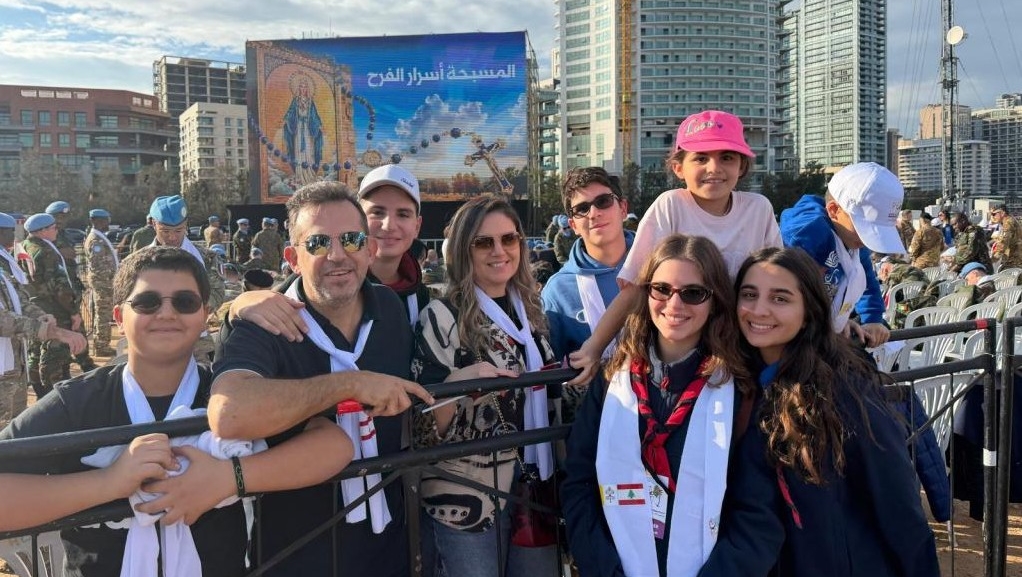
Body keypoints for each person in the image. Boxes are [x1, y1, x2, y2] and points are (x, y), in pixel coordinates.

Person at [0, 246, 353, 576]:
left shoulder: (226, 397)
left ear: (204, 317)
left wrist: (230, 477)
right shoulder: (78, 402)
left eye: (184, 302)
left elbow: (333, 444)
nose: (166, 312)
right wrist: (108, 482)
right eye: (148, 302)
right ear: (120, 317)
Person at [209, 181, 434, 576]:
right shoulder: (265, 321)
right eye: (317, 244)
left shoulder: (390, 309)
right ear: (292, 257)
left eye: (350, 239)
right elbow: (229, 414)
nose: (336, 255)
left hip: (390, 545)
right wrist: (349, 385)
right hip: (296, 554)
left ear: (369, 248)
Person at [696, 247, 939, 577]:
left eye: (780, 299)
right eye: (749, 294)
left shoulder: (846, 390)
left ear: (809, 311)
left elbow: (897, 503)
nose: (759, 310)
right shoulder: (735, 384)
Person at [561, 234, 753, 577]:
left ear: (716, 300)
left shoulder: (739, 389)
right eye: (661, 289)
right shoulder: (611, 383)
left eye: (693, 293)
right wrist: (605, 570)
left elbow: (756, 509)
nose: (674, 305)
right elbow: (579, 483)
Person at [568, 110, 781, 385]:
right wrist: (594, 347)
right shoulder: (670, 205)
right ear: (679, 168)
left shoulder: (758, 208)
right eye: (701, 158)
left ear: (741, 167)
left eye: (726, 157)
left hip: (741, 351)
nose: (714, 168)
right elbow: (636, 284)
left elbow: (777, 280)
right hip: (680, 352)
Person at [413, 194, 557, 577]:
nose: (499, 251)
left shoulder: (533, 312)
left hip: (534, 489)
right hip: (465, 498)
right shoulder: (441, 316)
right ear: (463, 250)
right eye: (483, 242)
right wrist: (457, 383)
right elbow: (420, 429)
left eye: (509, 239)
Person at [780, 162, 904, 348]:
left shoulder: (851, 238)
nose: (865, 240)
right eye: (864, 230)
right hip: (795, 337)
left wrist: (873, 318)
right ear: (834, 211)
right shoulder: (807, 235)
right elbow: (786, 290)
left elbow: (866, 278)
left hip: (823, 331)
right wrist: (828, 323)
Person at [0, 212, 85, 427]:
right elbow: (3, 320)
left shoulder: (4, 263)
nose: (14, 235)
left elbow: (19, 297)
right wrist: (54, 331)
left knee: (14, 426)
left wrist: (40, 315)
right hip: (4, 361)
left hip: (12, 361)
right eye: (8, 231)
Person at [22, 213, 83, 395]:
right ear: (43, 231)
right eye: (54, 228)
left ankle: (40, 391)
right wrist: (73, 311)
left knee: (35, 353)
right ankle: (54, 394)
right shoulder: (46, 252)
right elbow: (60, 287)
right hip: (55, 310)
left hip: (35, 310)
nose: (57, 230)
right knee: (56, 355)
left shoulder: (25, 246)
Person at [147, 195, 226, 315]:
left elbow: (217, 293)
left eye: (179, 230)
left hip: (192, 329)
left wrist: (188, 308)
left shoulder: (207, 258)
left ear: (186, 224)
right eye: (165, 231)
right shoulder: (139, 261)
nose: (172, 237)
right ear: (154, 224)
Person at [47, 200, 98, 372]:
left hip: (70, 287)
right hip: (56, 291)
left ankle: (86, 364)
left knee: (78, 328)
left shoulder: (65, 234)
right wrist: (61, 253)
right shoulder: (47, 235)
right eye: (58, 216)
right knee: (63, 332)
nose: (61, 220)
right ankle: (64, 369)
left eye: (64, 216)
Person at [84, 208, 119, 357]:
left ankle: (102, 343)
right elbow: (98, 265)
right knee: (103, 314)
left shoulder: (99, 237)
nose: (107, 224)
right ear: (95, 221)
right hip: (103, 283)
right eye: (105, 221)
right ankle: (101, 345)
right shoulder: (95, 240)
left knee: (103, 313)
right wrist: (110, 280)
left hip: (105, 282)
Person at [284, 71, 324, 188]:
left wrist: (319, 125)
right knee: (298, 152)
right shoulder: (295, 101)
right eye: (301, 87)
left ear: (307, 89)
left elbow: (315, 115)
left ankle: (310, 175)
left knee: (309, 151)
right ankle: (300, 175)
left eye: (305, 87)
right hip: (298, 130)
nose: (303, 89)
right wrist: (286, 120)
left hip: (308, 130)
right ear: (298, 88)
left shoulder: (311, 102)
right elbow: (290, 112)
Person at [989, 202, 1022, 269]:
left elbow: (1003, 242)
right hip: (1015, 259)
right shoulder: (1009, 220)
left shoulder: (1008, 223)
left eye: (994, 214)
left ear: (1002, 213)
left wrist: (991, 260)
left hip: (1013, 261)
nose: (992, 216)